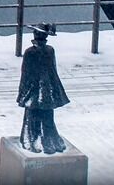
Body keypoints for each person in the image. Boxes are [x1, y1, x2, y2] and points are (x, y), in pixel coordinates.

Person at [17, 24, 70, 154]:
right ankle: (48, 140)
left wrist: (22, 92)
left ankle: (33, 139)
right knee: (47, 116)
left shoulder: (30, 52)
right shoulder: (50, 50)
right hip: (47, 90)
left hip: (34, 89)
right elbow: (53, 71)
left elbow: (25, 73)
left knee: (33, 115)